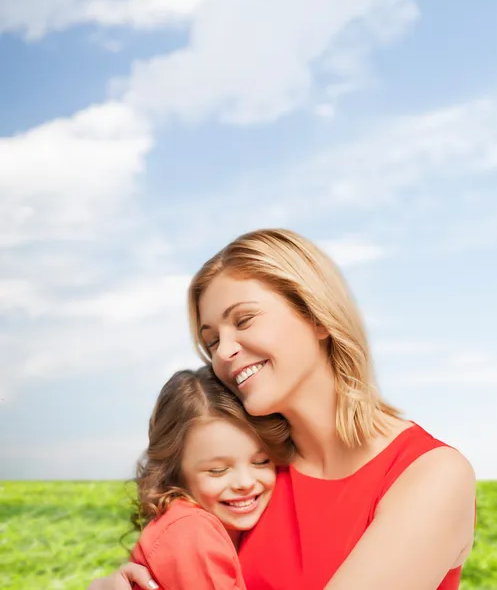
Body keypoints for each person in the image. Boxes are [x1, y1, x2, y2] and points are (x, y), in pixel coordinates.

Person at [88, 228, 476, 590]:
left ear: (317, 315)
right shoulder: (255, 475)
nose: (223, 353)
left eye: (244, 320)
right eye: (211, 342)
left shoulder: (431, 475)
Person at [127, 366, 292, 590]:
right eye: (217, 470)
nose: (245, 482)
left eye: (261, 461)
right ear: (175, 471)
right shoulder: (191, 532)